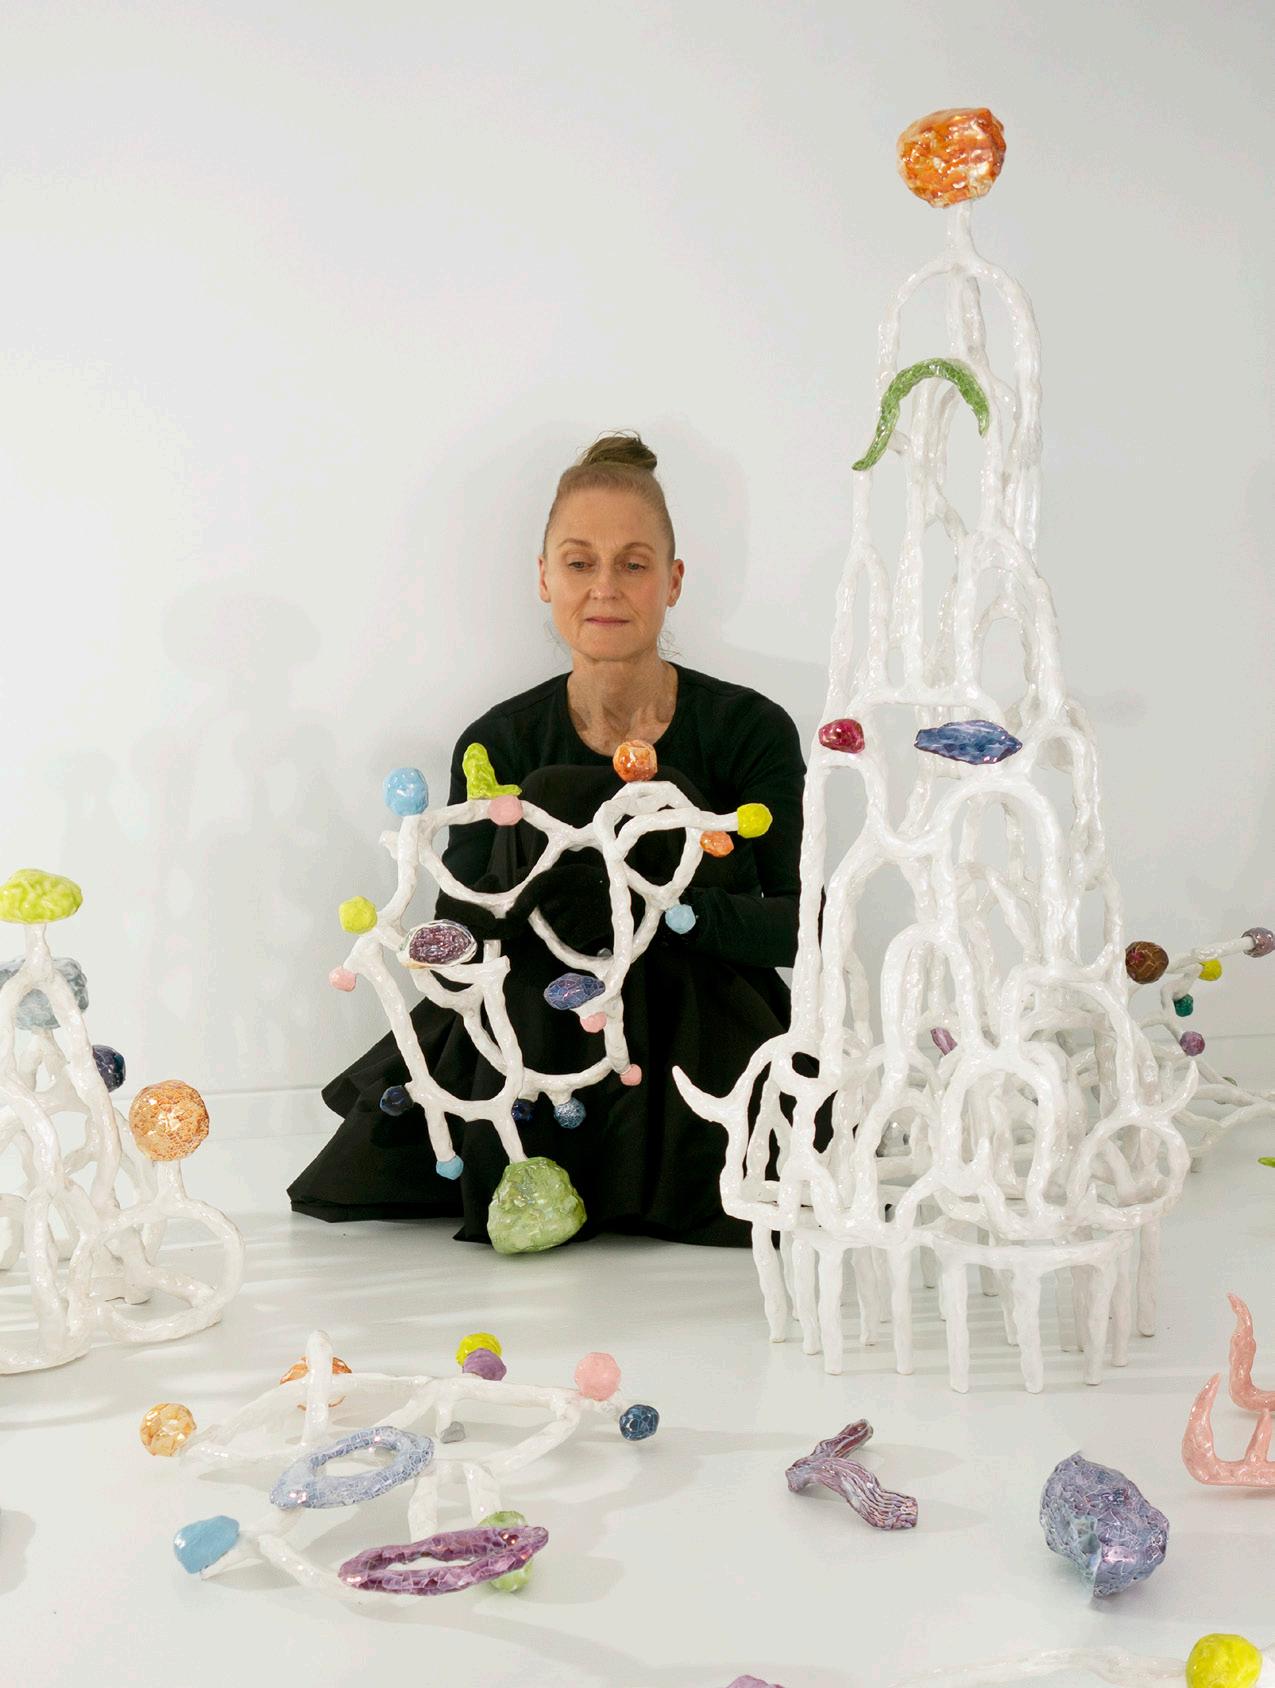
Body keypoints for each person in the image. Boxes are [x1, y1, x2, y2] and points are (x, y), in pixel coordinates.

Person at [288, 431, 806, 1247]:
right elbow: (460, 944)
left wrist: (651, 911)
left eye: (633, 564)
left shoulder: (748, 729)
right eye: (578, 562)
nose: (605, 587)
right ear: (543, 578)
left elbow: (803, 926)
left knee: (590, 799)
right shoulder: (498, 741)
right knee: (553, 797)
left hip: (702, 1052)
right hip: (541, 1050)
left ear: (672, 581)